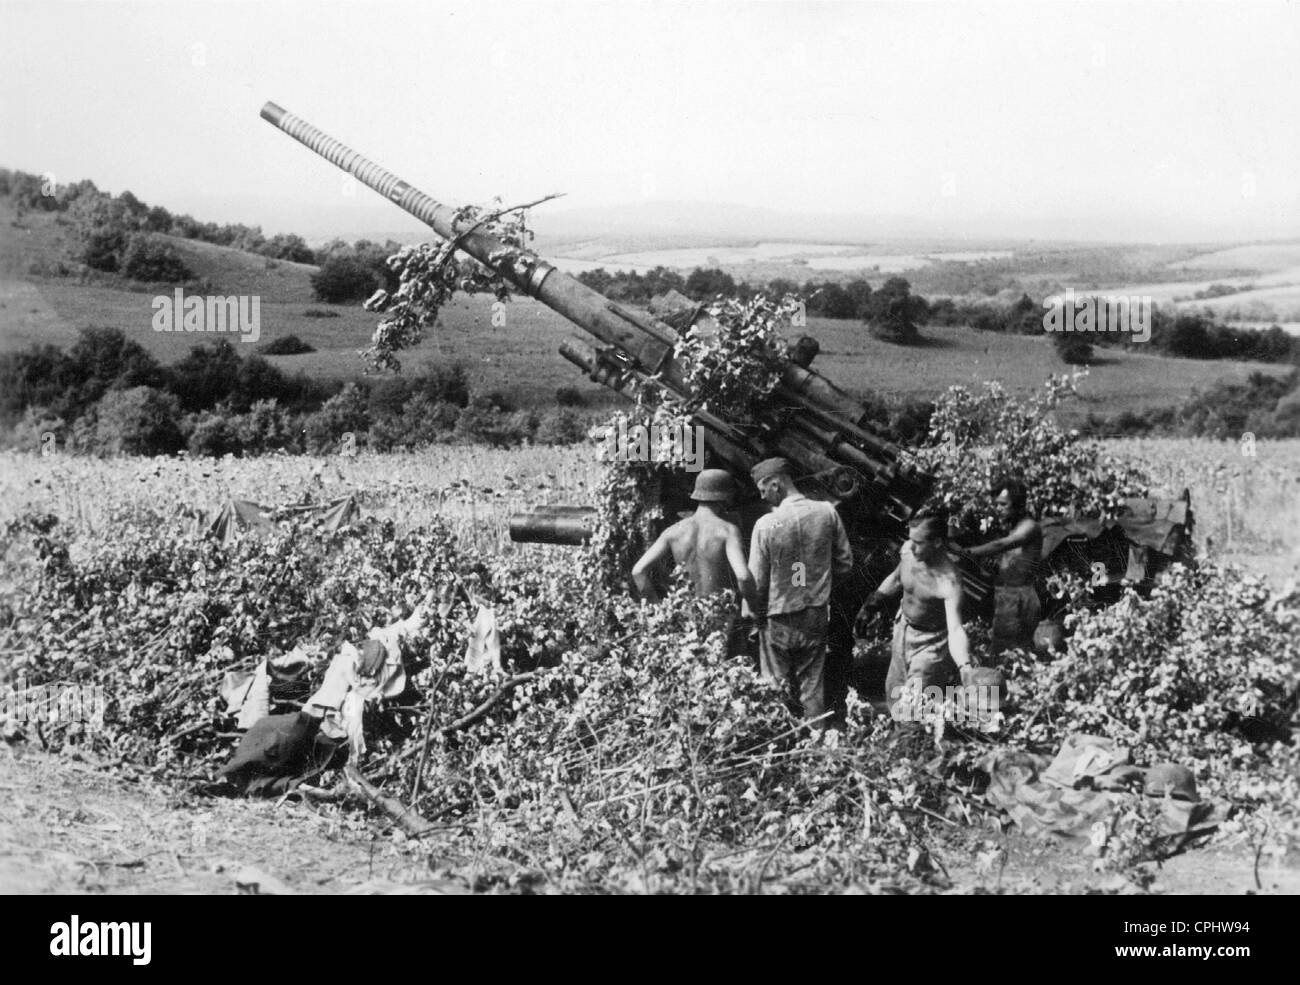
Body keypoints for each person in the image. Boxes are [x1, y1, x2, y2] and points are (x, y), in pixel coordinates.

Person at [746, 457, 854, 724]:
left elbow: (757, 582)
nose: (763, 497)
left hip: (778, 616)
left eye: (763, 490)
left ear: (776, 485)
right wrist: (818, 582)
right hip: (815, 613)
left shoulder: (765, 525)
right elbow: (846, 563)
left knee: (774, 687)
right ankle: (817, 748)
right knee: (812, 685)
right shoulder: (827, 512)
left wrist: (756, 617)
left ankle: (777, 748)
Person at [859, 505, 974, 711]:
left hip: (929, 645)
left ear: (937, 542)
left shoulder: (948, 581)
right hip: (903, 630)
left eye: (919, 543)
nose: (911, 546)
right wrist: (872, 603)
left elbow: (955, 629)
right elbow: (895, 579)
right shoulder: (909, 552)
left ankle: (917, 738)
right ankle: (898, 736)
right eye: (910, 539)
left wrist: (964, 667)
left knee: (916, 704)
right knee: (894, 692)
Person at [632, 468, 757, 610]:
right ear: (726, 498)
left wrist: (656, 607)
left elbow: (638, 571)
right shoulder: (727, 531)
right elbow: (743, 576)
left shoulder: (672, 532)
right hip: (721, 614)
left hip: (687, 617)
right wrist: (752, 608)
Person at [967, 478, 1042, 653]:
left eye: (1003, 504)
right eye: (997, 505)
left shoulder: (1029, 527)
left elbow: (1001, 545)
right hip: (1009, 594)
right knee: (1012, 650)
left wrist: (967, 552)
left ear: (1018, 504)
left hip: (1018, 596)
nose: (998, 509)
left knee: (1008, 651)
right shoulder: (1015, 526)